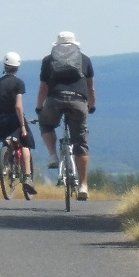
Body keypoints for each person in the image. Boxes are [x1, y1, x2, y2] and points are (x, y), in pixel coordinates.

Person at [36, 31, 96, 200]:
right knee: (81, 143)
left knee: (46, 124)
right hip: (78, 102)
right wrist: (91, 106)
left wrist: (39, 108)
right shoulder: (85, 59)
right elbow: (91, 88)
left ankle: (53, 155)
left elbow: (43, 88)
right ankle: (83, 185)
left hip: (54, 100)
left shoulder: (48, 60)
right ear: (75, 45)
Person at [0, 52, 38, 199]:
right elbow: (19, 107)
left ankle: (7, 156)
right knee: (25, 144)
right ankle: (27, 177)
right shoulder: (19, 83)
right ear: (17, 67)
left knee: (7, 138)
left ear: (5, 66)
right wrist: (23, 126)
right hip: (14, 119)